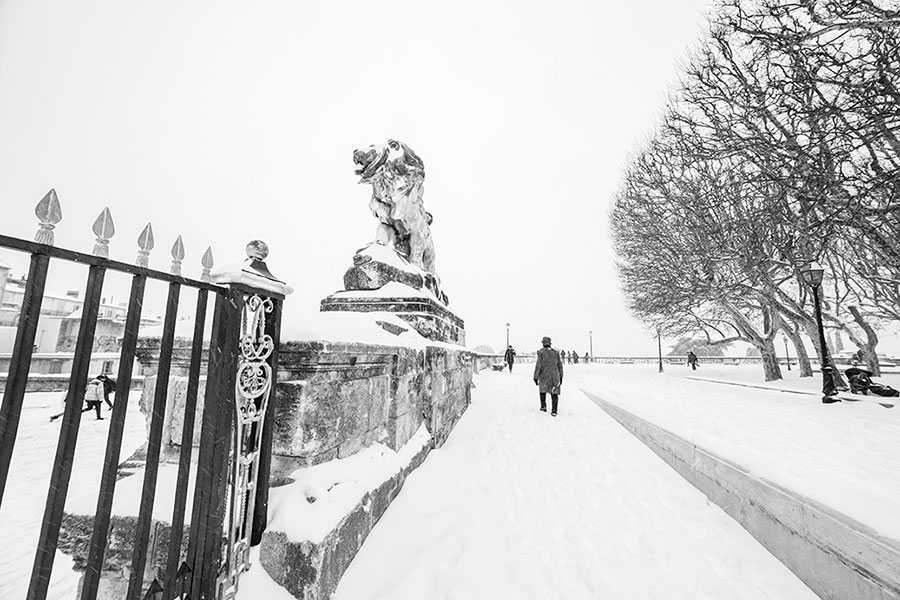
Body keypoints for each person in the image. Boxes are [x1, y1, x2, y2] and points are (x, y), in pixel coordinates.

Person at [51, 374, 116, 422]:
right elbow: (100, 392)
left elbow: (86, 389)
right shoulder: (100, 383)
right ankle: (98, 417)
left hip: (88, 398)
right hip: (95, 398)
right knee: (98, 407)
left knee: (89, 407)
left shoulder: (91, 382)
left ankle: (77, 412)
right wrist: (101, 399)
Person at [534, 336, 564, 416]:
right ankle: (554, 410)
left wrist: (536, 377)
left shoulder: (541, 353)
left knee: (543, 390)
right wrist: (561, 376)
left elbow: (538, 365)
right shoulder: (555, 353)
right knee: (554, 393)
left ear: (543, 343)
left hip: (544, 375)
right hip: (555, 376)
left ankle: (543, 406)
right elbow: (560, 365)